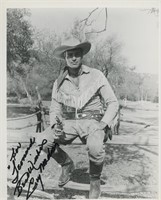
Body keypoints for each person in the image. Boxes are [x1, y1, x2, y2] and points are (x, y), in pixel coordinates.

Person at [36, 38, 119, 198]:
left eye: (76, 54)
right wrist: (55, 125)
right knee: (42, 141)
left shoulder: (96, 75)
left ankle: (95, 181)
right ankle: (66, 164)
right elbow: (55, 107)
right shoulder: (59, 82)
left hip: (93, 122)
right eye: (70, 55)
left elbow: (113, 103)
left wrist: (103, 124)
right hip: (69, 123)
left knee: (95, 147)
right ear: (65, 58)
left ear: (82, 56)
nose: (73, 58)